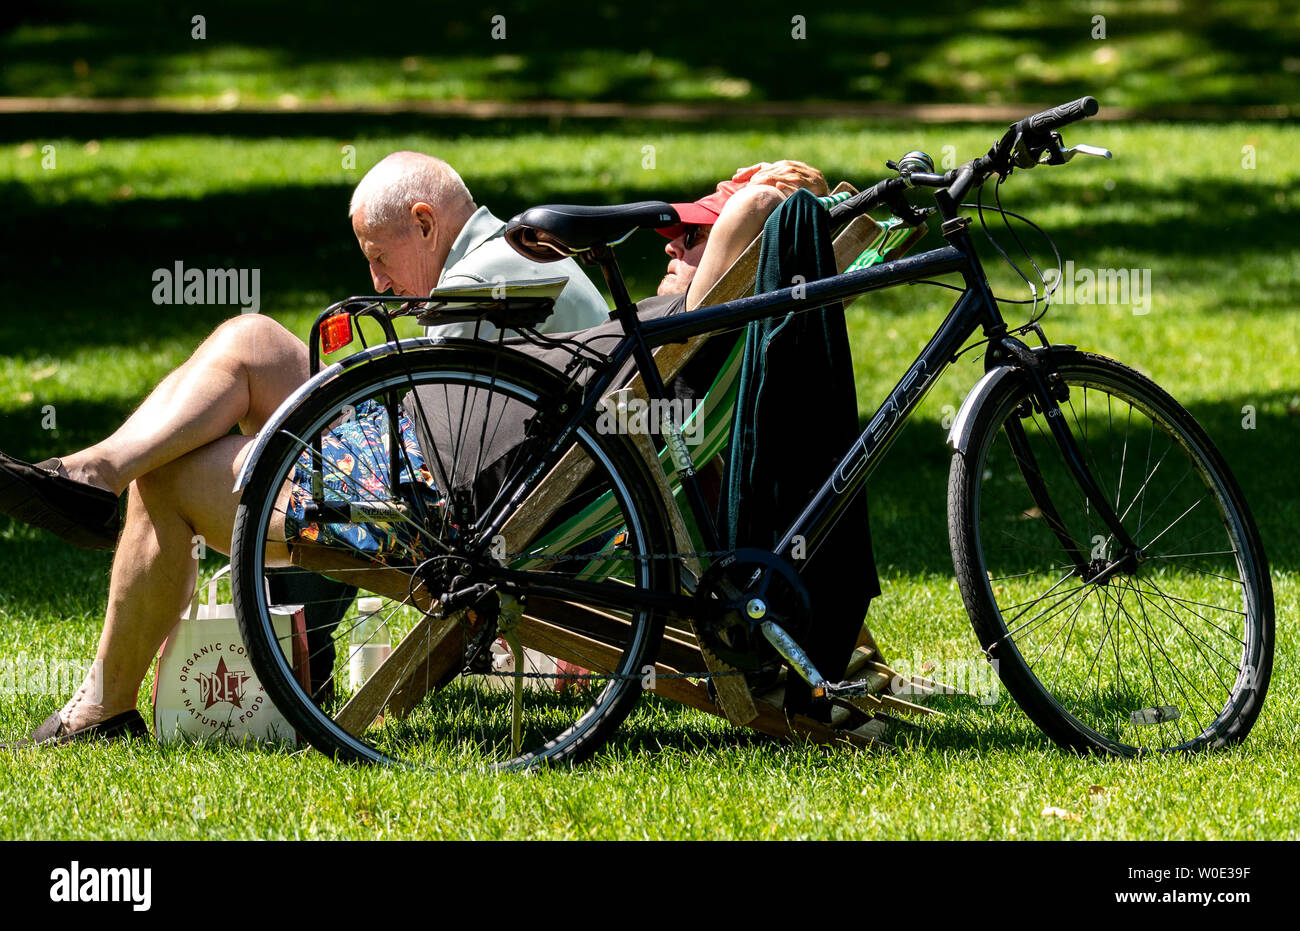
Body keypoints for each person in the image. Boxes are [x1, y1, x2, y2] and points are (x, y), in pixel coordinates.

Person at [0, 155, 827, 747]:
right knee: (251, 340)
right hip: (477, 461)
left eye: (379, 258)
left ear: (426, 222)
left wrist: (752, 203)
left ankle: (99, 703)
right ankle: (87, 474)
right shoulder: (580, 288)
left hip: (461, 510)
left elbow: (478, 459)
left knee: (174, 475)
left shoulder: (512, 276)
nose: (383, 281)